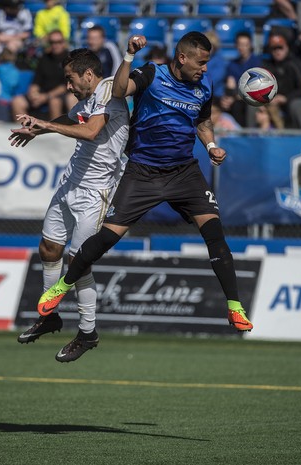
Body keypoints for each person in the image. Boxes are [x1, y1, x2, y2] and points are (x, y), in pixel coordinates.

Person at [37, 31, 254, 363]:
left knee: (215, 234)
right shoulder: (153, 73)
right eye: (201, 61)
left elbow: (203, 121)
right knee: (104, 240)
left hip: (184, 172)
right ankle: (61, 288)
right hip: (143, 173)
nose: (205, 68)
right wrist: (128, 55)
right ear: (182, 57)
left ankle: (234, 307)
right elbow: (121, 90)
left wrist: (211, 146)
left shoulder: (203, 87)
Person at [8, 48, 129, 361]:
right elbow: (75, 118)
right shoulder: (88, 99)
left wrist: (45, 126)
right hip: (70, 182)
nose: (69, 87)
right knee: (49, 249)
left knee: (79, 262)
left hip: (96, 191)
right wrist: (37, 130)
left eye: (70, 79)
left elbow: (90, 131)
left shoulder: (108, 89)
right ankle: (50, 318)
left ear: (88, 74)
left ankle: (88, 332)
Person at [11, 29, 73, 120]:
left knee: (54, 101)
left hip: (60, 95)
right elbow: (36, 81)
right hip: (43, 94)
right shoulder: (44, 58)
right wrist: (33, 93)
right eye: (52, 42)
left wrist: (46, 96)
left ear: (64, 43)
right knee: (17, 101)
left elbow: (66, 85)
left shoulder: (70, 59)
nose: (55, 45)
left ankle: (56, 132)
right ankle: (25, 132)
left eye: (58, 42)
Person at [262, 32, 301, 129]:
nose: (277, 51)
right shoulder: (266, 65)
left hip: (294, 99)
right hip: (272, 100)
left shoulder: (296, 64)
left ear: (286, 48)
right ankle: (250, 138)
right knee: (253, 105)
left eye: (280, 48)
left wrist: (286, 98)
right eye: (274, 48)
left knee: (296, 105)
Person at [220, 31, 261, 127]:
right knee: (224, 103)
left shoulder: (257, 63)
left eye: (245, 45)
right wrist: (228, 97)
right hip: (236, 97)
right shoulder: (232, 64)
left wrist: (234, 96)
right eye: (239, 44)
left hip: (253, 98)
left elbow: (255, 87)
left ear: (250, 45)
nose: (242, 47)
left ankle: (248, 136)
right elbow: (230, 84)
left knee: (243, 105)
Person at [0, 0, 33, 70]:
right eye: (14, 7)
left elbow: (27, 34)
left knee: (11, 45)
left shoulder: (25, 13)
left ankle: (7, 72)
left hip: (17, 40)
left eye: (17, 7)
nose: (17, 9)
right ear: (7, 8)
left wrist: (9, 38)